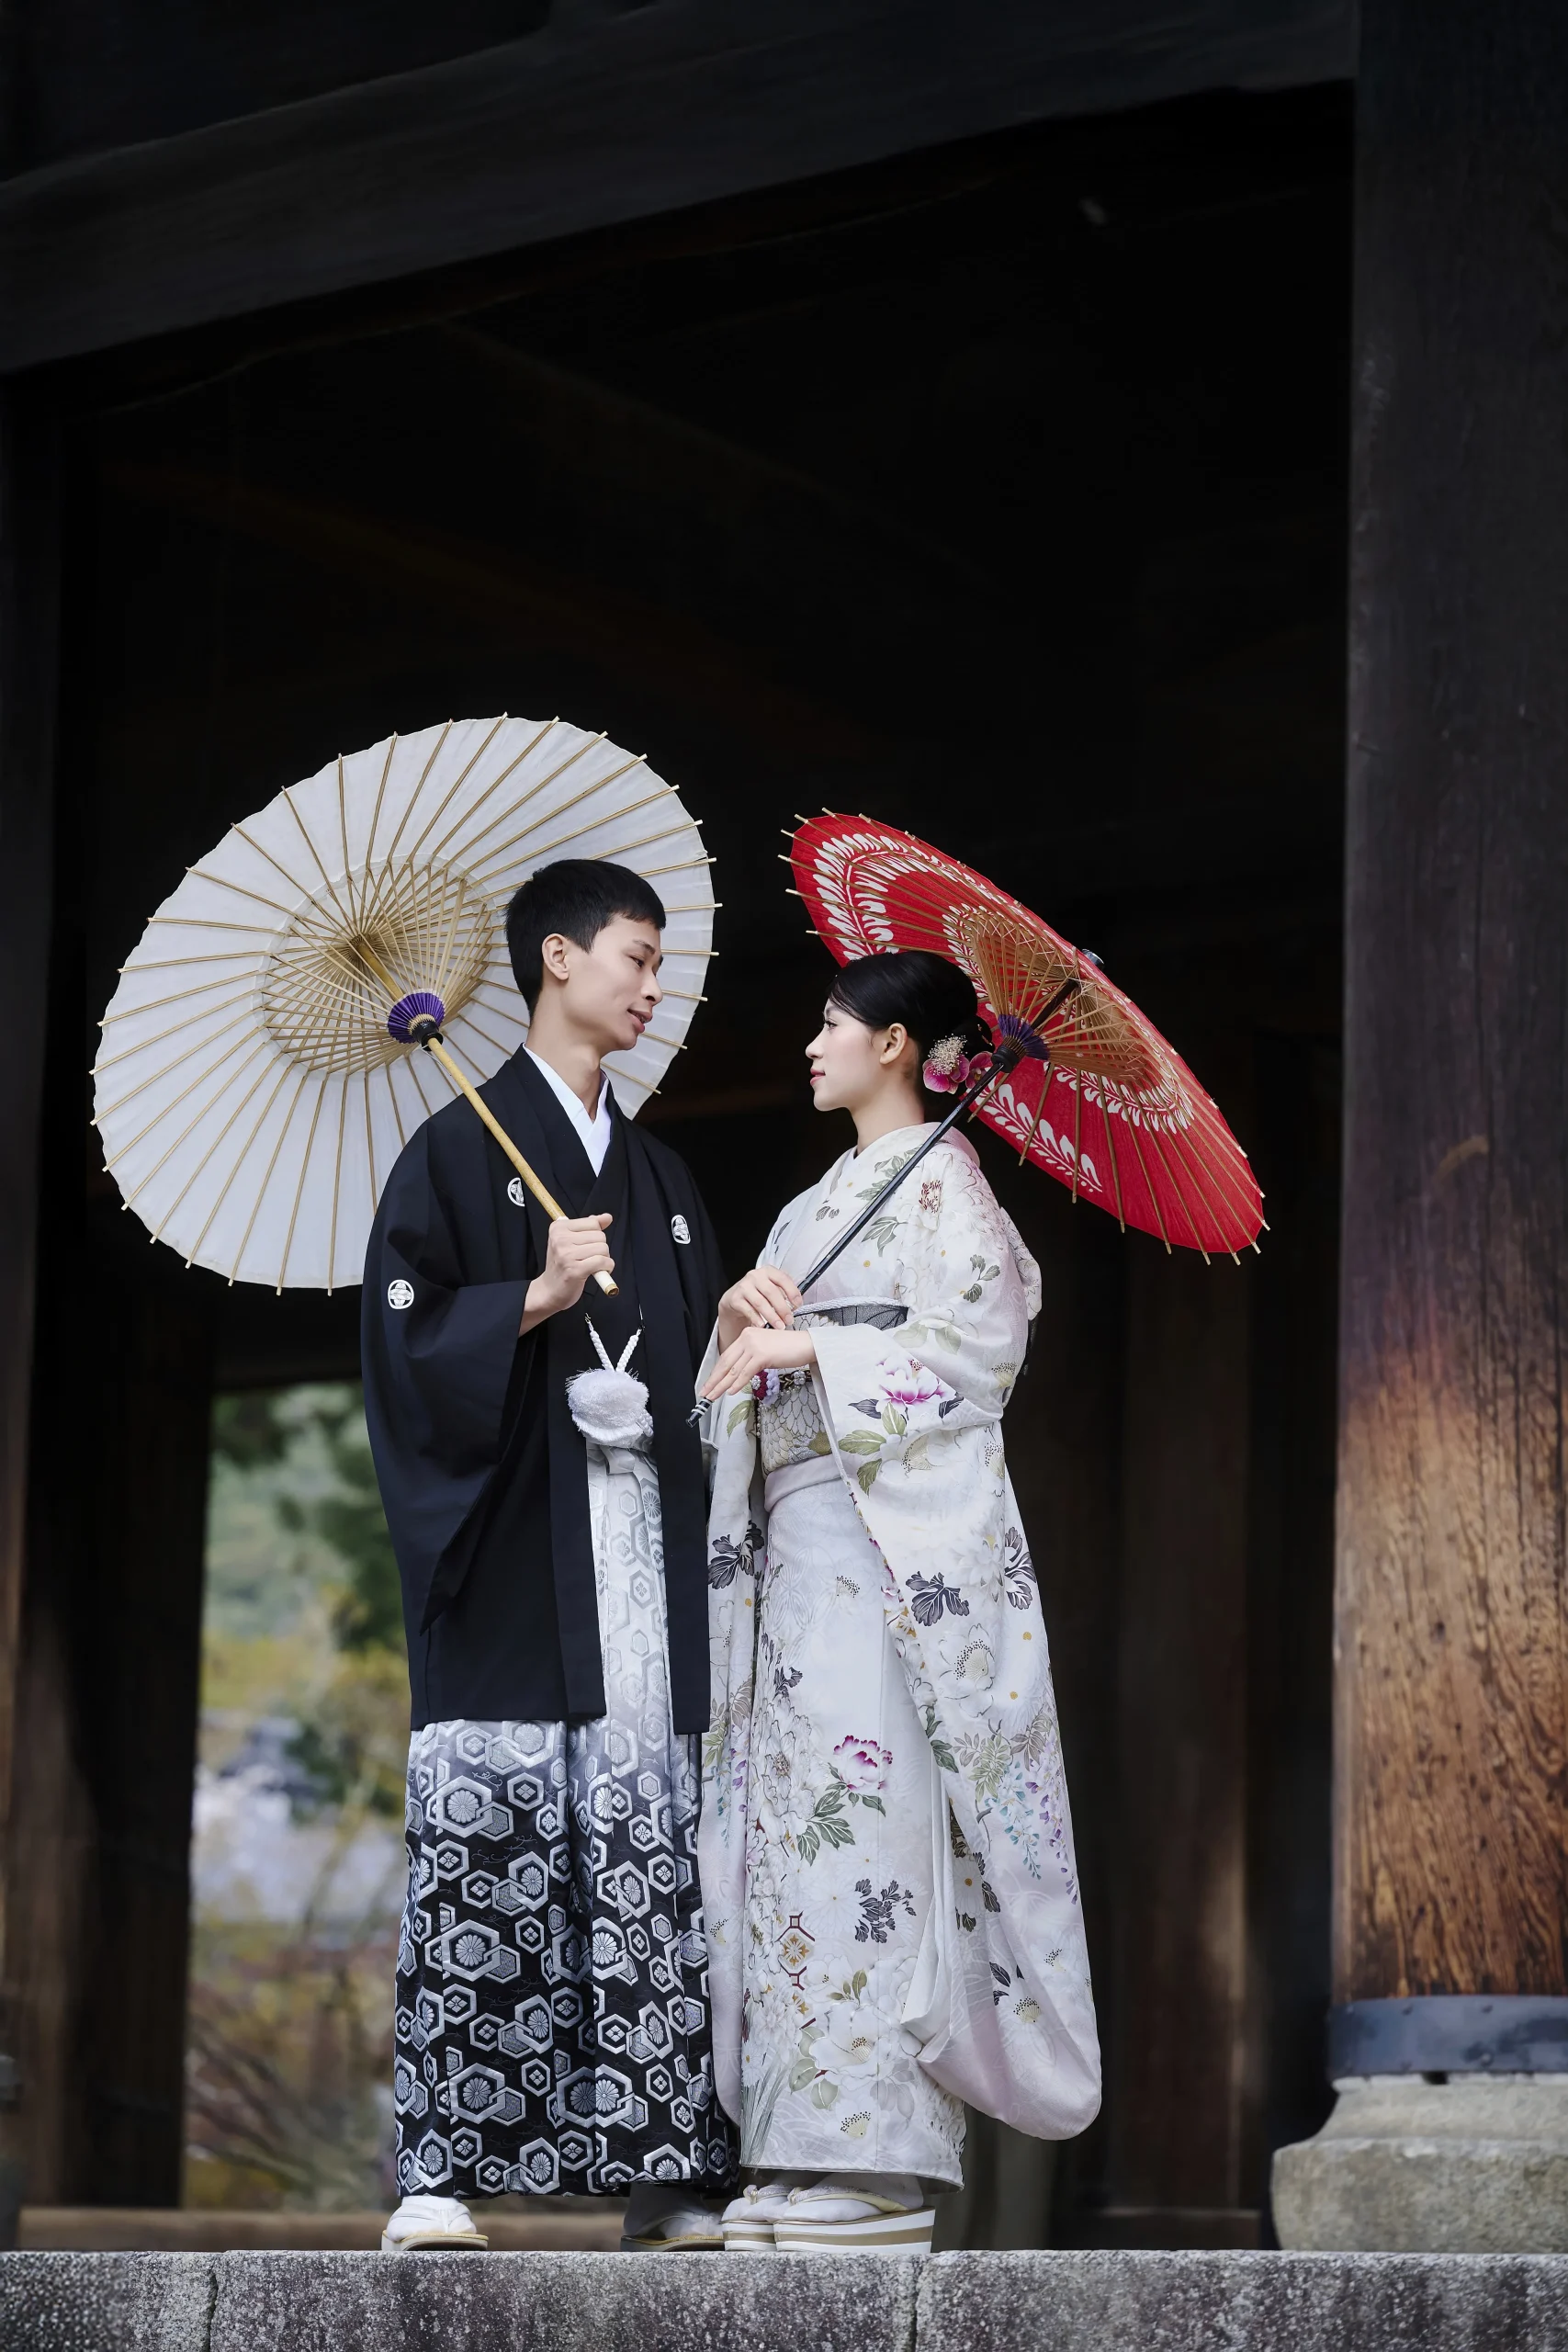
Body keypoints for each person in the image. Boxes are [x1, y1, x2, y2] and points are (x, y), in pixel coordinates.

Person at [698, 950, 1100, 2253]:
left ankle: (875, 2161)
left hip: (883, 1558)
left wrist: (813, 1343)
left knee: (866, 1834)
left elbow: (976, 1359)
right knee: (786, 1841)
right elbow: (735, 1381)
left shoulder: (946, 1183)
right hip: (800, 1554)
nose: (811, 1043)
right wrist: (738, 1319)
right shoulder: (812, 1205)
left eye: (831, 1022)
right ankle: (793, 2140)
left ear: (895, 1045)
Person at [363, 858, 737, 2253]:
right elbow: (401, 1345)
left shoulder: (663, 1177)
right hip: (516, 1546)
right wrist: (534, 1293)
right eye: (636, 957)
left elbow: (699, 1371)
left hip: (639, 1547)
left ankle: (668, 2172)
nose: (652, 986)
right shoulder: (451, 1153)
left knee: (648, 1836)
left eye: (659, 965)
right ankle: (442, 2172)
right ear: (558, 959)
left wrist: (730, 1343)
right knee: (492, 1835)